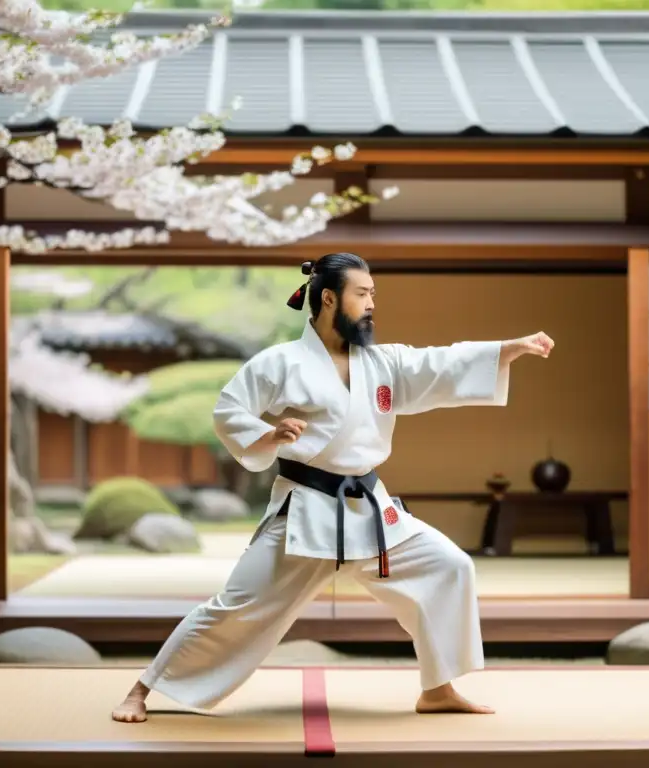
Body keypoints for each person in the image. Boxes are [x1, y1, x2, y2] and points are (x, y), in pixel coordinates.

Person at [111, 252, 554, 723]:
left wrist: (508, 348)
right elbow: (228, 410)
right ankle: (143, 689)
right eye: (362, 294)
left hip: (370, 511)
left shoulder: (383, 363)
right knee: (237, 606)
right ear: (328, 299)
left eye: (373, 294)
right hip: (306, 512)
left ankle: (438, 689)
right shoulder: (280, 362)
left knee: (449, 566)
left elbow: (438, 364)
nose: (371, 304)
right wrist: (269, 435)